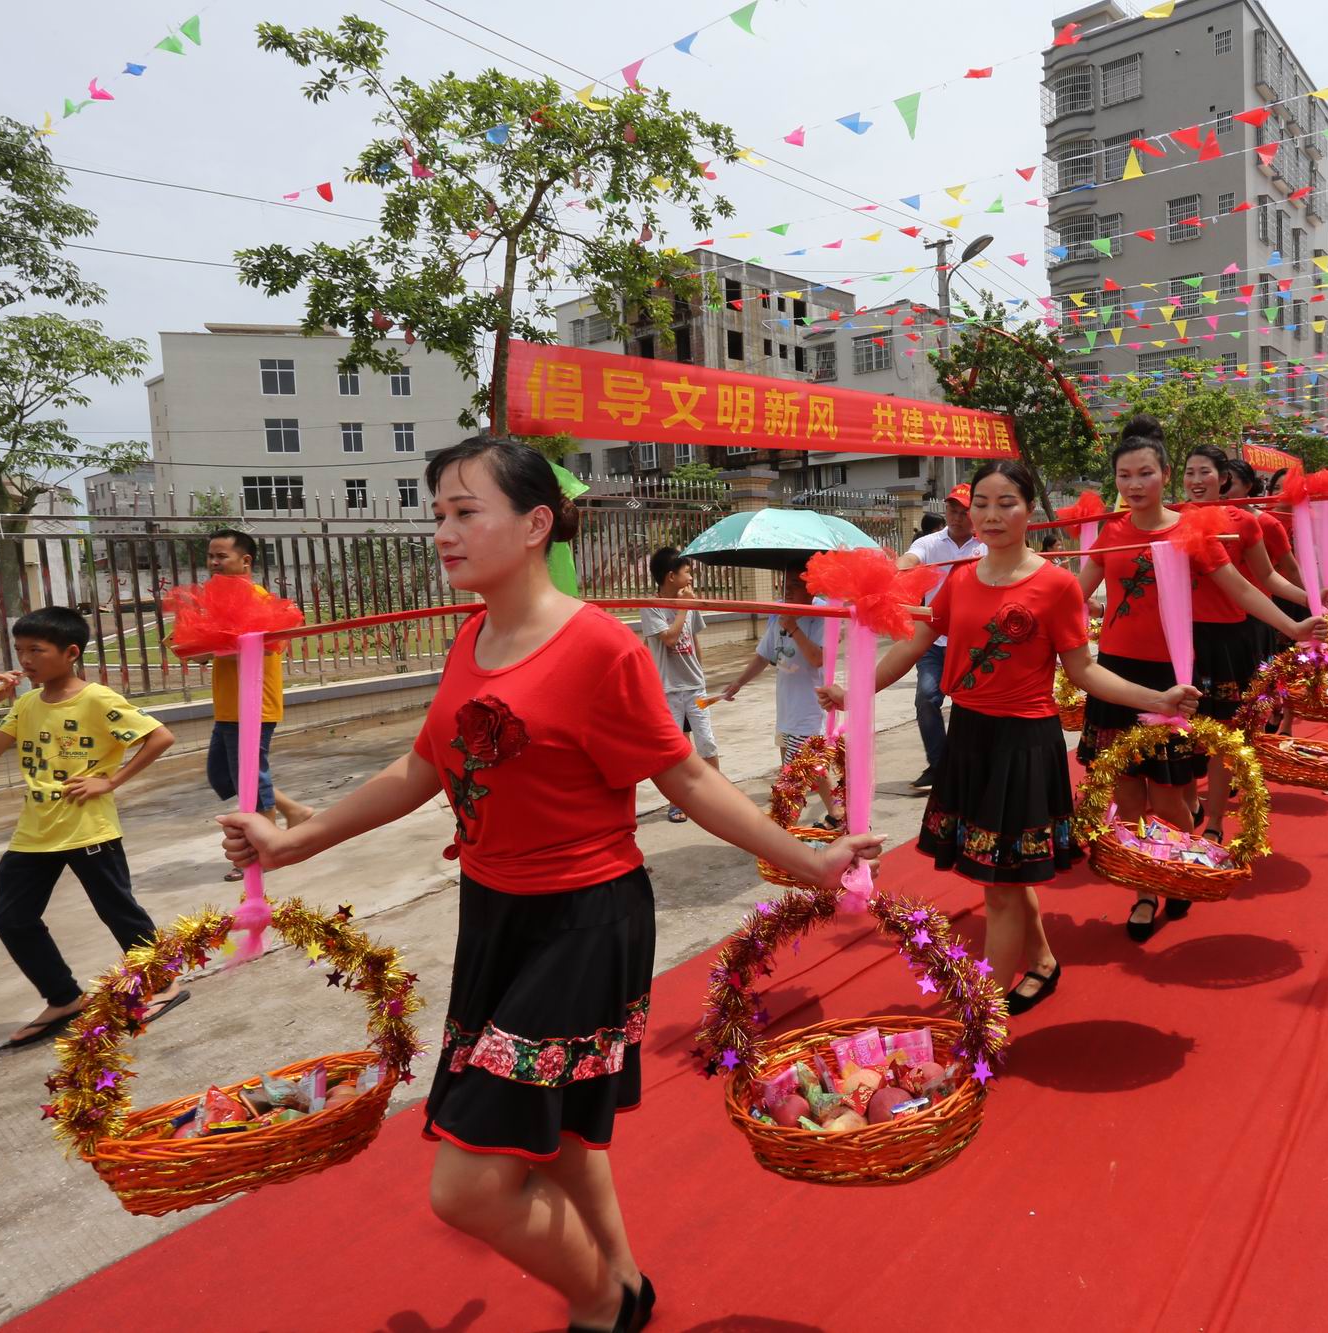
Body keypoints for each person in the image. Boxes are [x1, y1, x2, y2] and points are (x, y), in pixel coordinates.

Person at [221, 437, 878, 1332]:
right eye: (438, 516)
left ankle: (600, 1302)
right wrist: (293, 842)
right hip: (494, 916)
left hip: (583, 923)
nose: (446, 533)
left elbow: (685, 778)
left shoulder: (599, 647)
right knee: (560, 1131)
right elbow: (421, 769)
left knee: (466, 1188)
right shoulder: (471, 636)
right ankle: (624, 1284)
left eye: (466, 512)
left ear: (535, 525)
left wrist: (810, 861)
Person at [818, 460, 1199, 1015]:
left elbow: (1085, 673)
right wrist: (856, 693)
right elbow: (910, 646)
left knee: (998, 884)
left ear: (1029, 512)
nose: (992, 516)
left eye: (1006, 504)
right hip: (969, 736)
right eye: (982, 505)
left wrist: (1157, 700)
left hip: (1024, 744)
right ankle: (1041, 963)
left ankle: (981, 1016)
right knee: (1002, 872)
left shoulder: (1056, 585)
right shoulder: (960, 579)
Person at [1077, 418, 1326, 941]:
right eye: (1124, 475)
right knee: (1126, 792)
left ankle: (1180, 865)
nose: (1134, 484)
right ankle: (1145, 887)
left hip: (1171, 674)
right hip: (1115, 672)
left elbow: (1243, 588)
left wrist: (1293, 624)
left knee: (1170, 795)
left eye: (1145, 472)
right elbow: (1075, 594)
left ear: (1165, 475)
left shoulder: (1192, 533)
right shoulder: (1110, 533)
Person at [0, 606, 185, 1046]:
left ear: (69, 653)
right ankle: (64, 997)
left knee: (116, 909)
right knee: (12, 919)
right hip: (35, 830)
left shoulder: (97, 699)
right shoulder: (26, 704)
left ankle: (163, 983)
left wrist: (111, 780)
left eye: (36, 650)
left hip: (89, 829)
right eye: (20, 650)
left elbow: (160, 736)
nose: (26, 660)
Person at [1185, 447, 1314, 836]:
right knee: (1184, 733)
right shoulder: (1170, 520)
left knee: (1225, 735)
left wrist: (1312, 598)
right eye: (1189, 472)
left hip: (1231, 640)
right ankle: (1190, 804)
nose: (1195, 481)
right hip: (1180, 640)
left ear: (1223, 478)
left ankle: (1216, 822)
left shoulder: (1245, 523)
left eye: (1204, 472)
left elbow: (1268, 579)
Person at [203, 529, 313, 882]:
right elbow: (203, 650)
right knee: (223, 775)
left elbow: (270, 644)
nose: (214, 563)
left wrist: (228, 641)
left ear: (245, 561)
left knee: (250, 778)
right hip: (227, 704)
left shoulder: (258, 598)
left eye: (222, 556)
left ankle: (264, 851)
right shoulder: (218, 599)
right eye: (211, 556)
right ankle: (295, 811)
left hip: (253, 705)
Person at [719, 561, 840, 828]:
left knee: (796, 773)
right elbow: (765, 655)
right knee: (815, 770)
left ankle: (784, 825)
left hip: (810, 710)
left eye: (795, 585)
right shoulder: (779, 614)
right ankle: (840, 814)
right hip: (787, 710)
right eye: (785, 584)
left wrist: (794, 628)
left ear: (811, 590)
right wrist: (738, 682)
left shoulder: (823, 616)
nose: (787, 590)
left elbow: (818, 659)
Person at [897, 483, 984, 793]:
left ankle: (967, 765)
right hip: (933, 639)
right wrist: (898, 568)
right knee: (926, 698)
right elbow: (911, 557)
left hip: (972, 642)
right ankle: (939, 764)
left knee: (969, 706)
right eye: (952, 511)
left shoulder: (985, 546)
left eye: (964, 512)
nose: (957, 518)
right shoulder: (930, 543)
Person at [639, 548, 719, 824]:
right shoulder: (652, 606)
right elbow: (670, 639)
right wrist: (683, 609)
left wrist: (701, 674)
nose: (690, 578)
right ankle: (678, 802)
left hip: (695, 688)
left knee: (706, 742)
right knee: (675, 747)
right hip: (668, 690)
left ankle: (718, 795)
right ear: (671, 576)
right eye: (686, 572)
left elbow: (693, 641)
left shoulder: (689, 604)